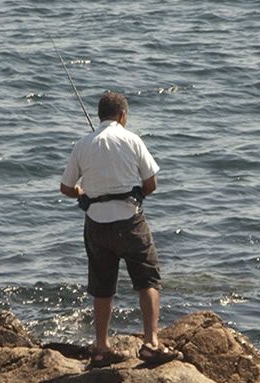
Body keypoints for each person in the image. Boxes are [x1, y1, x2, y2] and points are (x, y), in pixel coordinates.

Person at [60, 92, 182, 367]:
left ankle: (101, 348)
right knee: (148, 279)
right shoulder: (132, 139)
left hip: (96, 224)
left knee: (102, 287)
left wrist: (83, 191)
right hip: (129, 221)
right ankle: (151, 343)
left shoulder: (83, 144)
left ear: (100, 114)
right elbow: (151, 184)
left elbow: (66, 188)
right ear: (123, 115)